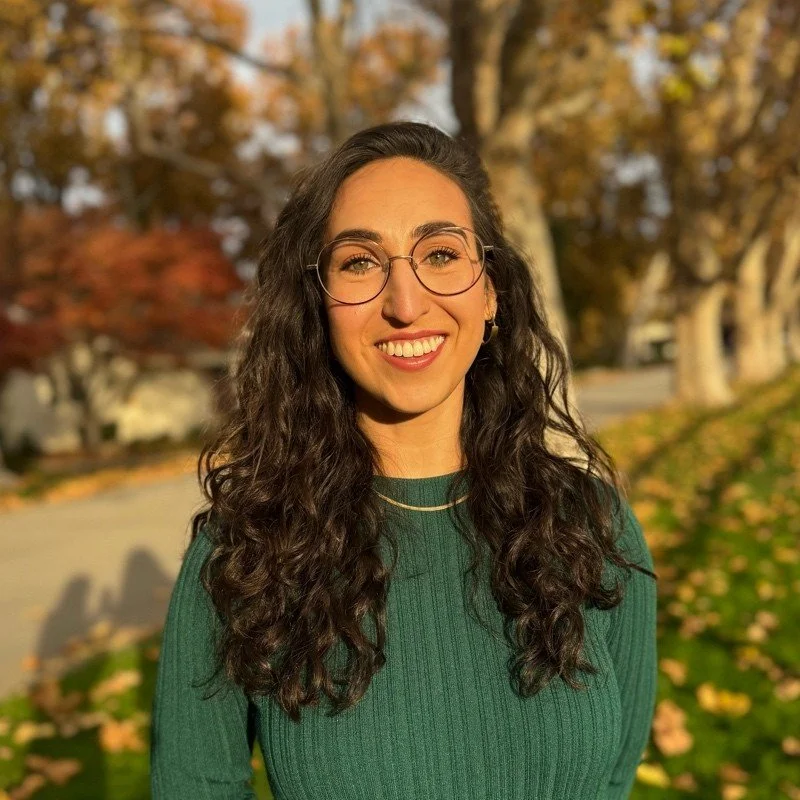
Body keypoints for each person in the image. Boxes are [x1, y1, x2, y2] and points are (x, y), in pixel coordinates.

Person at [150, 120, 658, 799]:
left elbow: (614, 778)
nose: (406, 304)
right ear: (318, 303)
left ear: (490, 289)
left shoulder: (592, 526)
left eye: (440, 254)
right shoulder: (245, 552)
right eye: (360, 263)